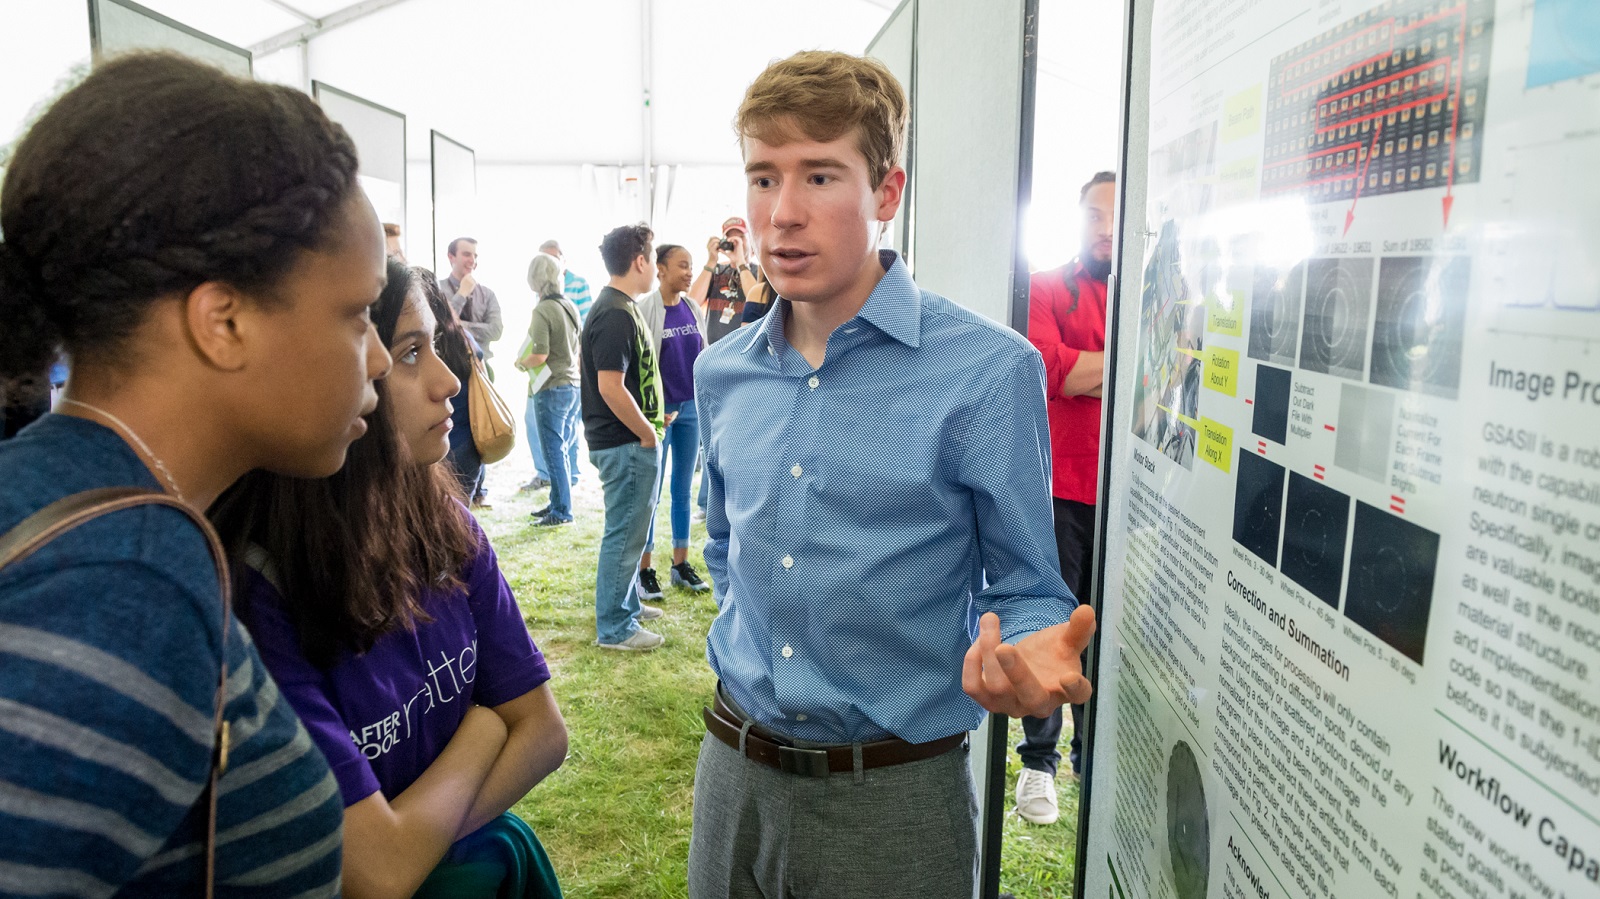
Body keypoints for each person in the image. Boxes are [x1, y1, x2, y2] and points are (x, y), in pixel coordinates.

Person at [688, 51, 1096, 898]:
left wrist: (1023, 642)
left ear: (886, 192)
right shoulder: (722, 372)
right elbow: (725, 544)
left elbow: (1028, 583)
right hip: (732, 774)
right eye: (763, 178)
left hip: (894, 800)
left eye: (820, 175)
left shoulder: (988, 371)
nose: (783, 214)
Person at [0, 53, 392, 894]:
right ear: (225, 320)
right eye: (357, 313)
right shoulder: (123, 585)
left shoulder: (80, 509)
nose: (384, 355)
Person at [211, 259, 568, 898]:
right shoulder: (256, 596)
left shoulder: (442, 520)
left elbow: (543, 732)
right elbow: (373, 875)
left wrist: (410, 837)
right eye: (408, 353)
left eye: (436, 346)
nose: (448, 381)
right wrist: (484, 728)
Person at [1018, 170, 1116, 824]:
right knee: (1056, 623)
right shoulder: (1046, 286)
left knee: (1107, 629)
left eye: (1116, 214)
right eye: (1093, 213)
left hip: (1131, 496)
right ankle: (1038, 763)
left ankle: (1095, 756)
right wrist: (1141, 357)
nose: (1104, 226)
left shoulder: (1156, 295)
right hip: (1059, 486)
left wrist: (1093, 368)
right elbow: (1052, 369)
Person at [580, 223, 667, 651]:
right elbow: (610, 386)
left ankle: (626, 603)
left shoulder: (620, 305)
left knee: (633, 530)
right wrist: (647, 431)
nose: (654, 267)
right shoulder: (615, 312)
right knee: (625, 532)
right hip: (625, 443)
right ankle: (615, 627)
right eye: (652, 258)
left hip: (628, 441)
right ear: (639, 261)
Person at [636, 244, 711, 593]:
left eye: (691, 266)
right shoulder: (644, 310)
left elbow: (704, 357)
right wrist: (652, 413)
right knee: (650, 493)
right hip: (658, 416)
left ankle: (680, 564)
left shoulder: (693, 308)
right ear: (661, 269)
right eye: (682, 265)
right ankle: (644, 569)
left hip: (691, 410)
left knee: (683, 490)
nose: (689, 272)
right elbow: (636, 369)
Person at [522, 252, 584, 526]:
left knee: (553, 451)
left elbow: (539, 355)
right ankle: (557, 503)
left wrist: (520, 362)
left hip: (551, 386)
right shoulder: (568, 305)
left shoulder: (542, 310)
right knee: (563, 449)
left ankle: (561, 512)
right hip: (573, 385)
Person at [689, 216, 761, 346]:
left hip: (745, 349)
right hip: (713, 349)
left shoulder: (759, 272)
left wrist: (740, 262)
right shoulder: (715, 270)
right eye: (729, 238)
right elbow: (691, 303)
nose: (735, 242)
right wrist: (711, 261)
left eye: (741, 237)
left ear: (752, 243)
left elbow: (757, 303)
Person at [441, 237, 505, 362]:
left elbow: (496, 330)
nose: (472, 260)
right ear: (451, 256)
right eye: (466, 254)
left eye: (475, 256)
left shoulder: (488, 294)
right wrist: (461, 294)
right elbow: (442, 325)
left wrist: (461, 325)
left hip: (481, 366)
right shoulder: (437, 289)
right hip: (448, 365)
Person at [540, 239, 595, 323]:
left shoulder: (579, 284)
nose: (551, 263)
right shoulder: (540, 285)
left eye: (555, 258)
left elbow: (588, 321)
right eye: (546, 259)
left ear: (563, 260)